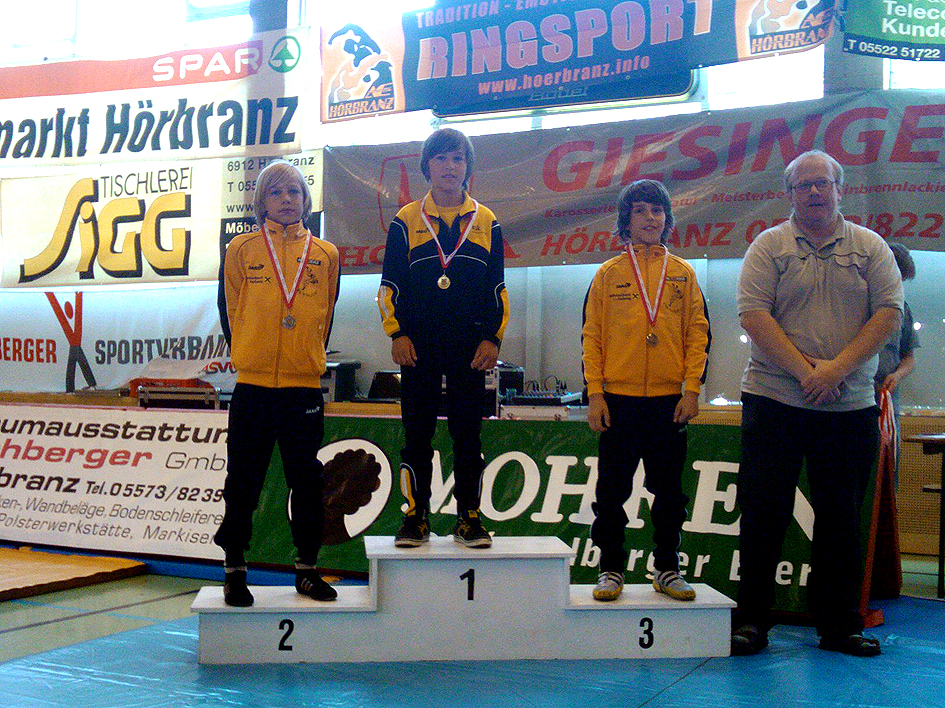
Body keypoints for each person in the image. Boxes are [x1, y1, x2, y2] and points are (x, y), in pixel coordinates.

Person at [733, 150, 903, 656]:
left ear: (839, 189)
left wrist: (835, 371)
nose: (813, 192)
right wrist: (808, 374)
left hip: (848, 408)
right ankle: (752, 622)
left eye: (822, 183)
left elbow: (889, 313)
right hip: (774, 401)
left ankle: (839, 626)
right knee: (763, 515)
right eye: (803, 185)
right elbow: (753, 315)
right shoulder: (768, 246)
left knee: (841, 519)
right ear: (789, 194)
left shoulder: (871, 247)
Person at [214, 160, 340, 607]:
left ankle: (306, 570)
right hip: (253, 387)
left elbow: (325, 315)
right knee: (242, 482)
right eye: (276, 192)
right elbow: (230, 311)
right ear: (261, 202)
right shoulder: (241, 249)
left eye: (294, 192)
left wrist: (306, 358)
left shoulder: (326, 254)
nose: (286, 199)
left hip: (303, 388)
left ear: (306, 201)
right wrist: (250, 354)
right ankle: (234, 570)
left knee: (307, 483)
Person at [378, 127, 509, 549]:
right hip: (417, 348)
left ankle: (469, 518)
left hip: (470, 349)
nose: (450, 166)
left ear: (467, 167)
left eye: (457, 158)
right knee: (416, 436)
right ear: (427, 167)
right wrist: (397, 333)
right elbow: (389, 287)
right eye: (441, 158)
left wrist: (492, 340)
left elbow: (497, 289)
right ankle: (415, 518)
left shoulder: (486, 221)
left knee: (467, 436)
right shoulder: (405, 220)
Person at [582, 179, 710, 603]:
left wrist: (692, 390)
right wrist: (595, 395)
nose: (650, 218)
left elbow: (698, 334)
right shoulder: (608, 274)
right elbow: (592, 337)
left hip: (668, 403)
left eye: (657, 211)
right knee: (611, 493)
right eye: (640, 210)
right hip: (617, 401)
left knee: (669, 493)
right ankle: (610, 569)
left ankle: (667, 568)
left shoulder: (683, 273)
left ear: (667, 219)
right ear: (626, 219)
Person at [874, 242, 919, 485]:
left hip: (888, 403)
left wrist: (898, 374)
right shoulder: (854, 304)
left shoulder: (903, 309)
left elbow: (909, 358)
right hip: (854, 401)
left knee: (888, 471)